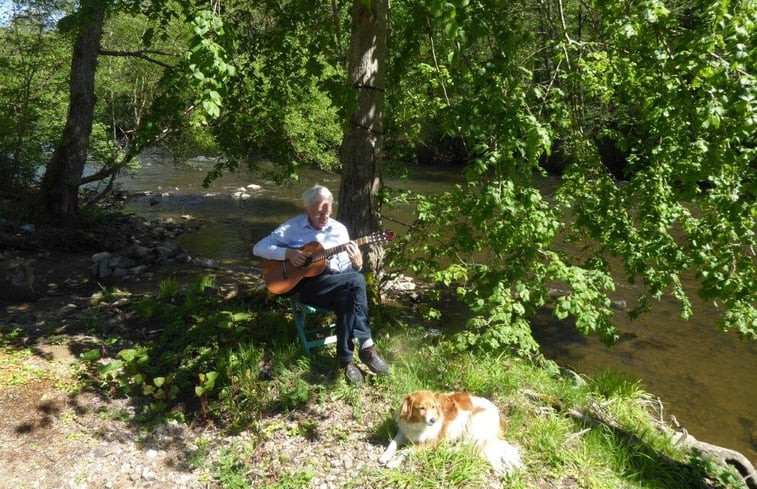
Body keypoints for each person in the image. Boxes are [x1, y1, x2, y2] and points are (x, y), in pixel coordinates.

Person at [252, 184, 390, 385]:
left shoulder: (339, 230)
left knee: (348, 297)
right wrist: (288, 253)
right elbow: (259, 248)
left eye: (328, 212)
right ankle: (367, 346)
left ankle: (346, 362)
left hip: (336, 284)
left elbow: (346, 272)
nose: (324, 218)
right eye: (318, 214)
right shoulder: (292, 228)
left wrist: (357, 264)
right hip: (308, 288)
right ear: (306, 209)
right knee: (357, 280)